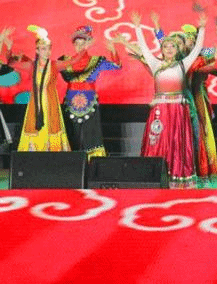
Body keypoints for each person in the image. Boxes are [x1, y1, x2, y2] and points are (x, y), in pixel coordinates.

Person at [152, 13, 217, 182]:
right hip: (175, 101)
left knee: (197, 132)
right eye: (183, 39)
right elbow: (162, 42)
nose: (185, 41)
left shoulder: (198, 55)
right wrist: (156, 26)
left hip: (194, 96)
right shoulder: (175, 58)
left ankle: (198, 170)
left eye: (189, 38)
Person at [132, 11, 206, 188]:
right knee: (157, 141)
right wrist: (137, 27)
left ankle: (177, 176)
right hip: (160, 111)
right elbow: (143, 47)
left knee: (177, 143)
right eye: (166, 47)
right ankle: (154, 176)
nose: (170, 49)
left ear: (177, 50)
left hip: (178, 112)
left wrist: (202, 29)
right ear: (162, 50)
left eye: (173, 46)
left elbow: (197, 49)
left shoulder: (183, 64)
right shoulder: (155, 64)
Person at [8, 26, 75, 152]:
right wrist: (8, 47)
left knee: (53, 125)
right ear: (37, 51)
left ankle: (53, 153)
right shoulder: (32, 66)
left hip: (51, 103)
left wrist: (84, 48)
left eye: (49, 48)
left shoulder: (54, 65)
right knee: (33, 126)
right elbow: (11, 64)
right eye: (44, 49)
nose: (47, 51)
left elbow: (74, 62)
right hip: (35, 104)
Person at [58, 25, 121, 159]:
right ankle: (72, 161)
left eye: (83, 43)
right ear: (73, 45)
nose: (79, 47)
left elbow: (116, 66)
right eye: (77, 43)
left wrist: (113, 50)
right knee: (72, 133)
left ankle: (93, 161)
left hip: (90, 102)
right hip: (70, 102)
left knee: (91, 133)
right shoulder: (64, 61)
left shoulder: (96, 61)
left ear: (88, 44)